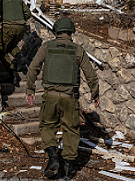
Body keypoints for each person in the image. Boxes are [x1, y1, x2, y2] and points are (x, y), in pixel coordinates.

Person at [25, 17, 99, 180]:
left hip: (49, 97)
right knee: (71, 131)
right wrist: (95, 95)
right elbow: (91, 76)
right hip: (69, 98)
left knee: (46, 127)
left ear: (56, 31)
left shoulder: (46, 47)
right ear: (71, 32)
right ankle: (66, 171)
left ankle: (52, 157)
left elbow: (32, 69)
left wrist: (30, 89)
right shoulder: (77, 49)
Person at [0, 0, 31, 84]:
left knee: (1, 50)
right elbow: (28, 13)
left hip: (8, 27)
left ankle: (12, 71)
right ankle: (20, 57)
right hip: (21, 27)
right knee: (12, 46)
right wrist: (20, 21)